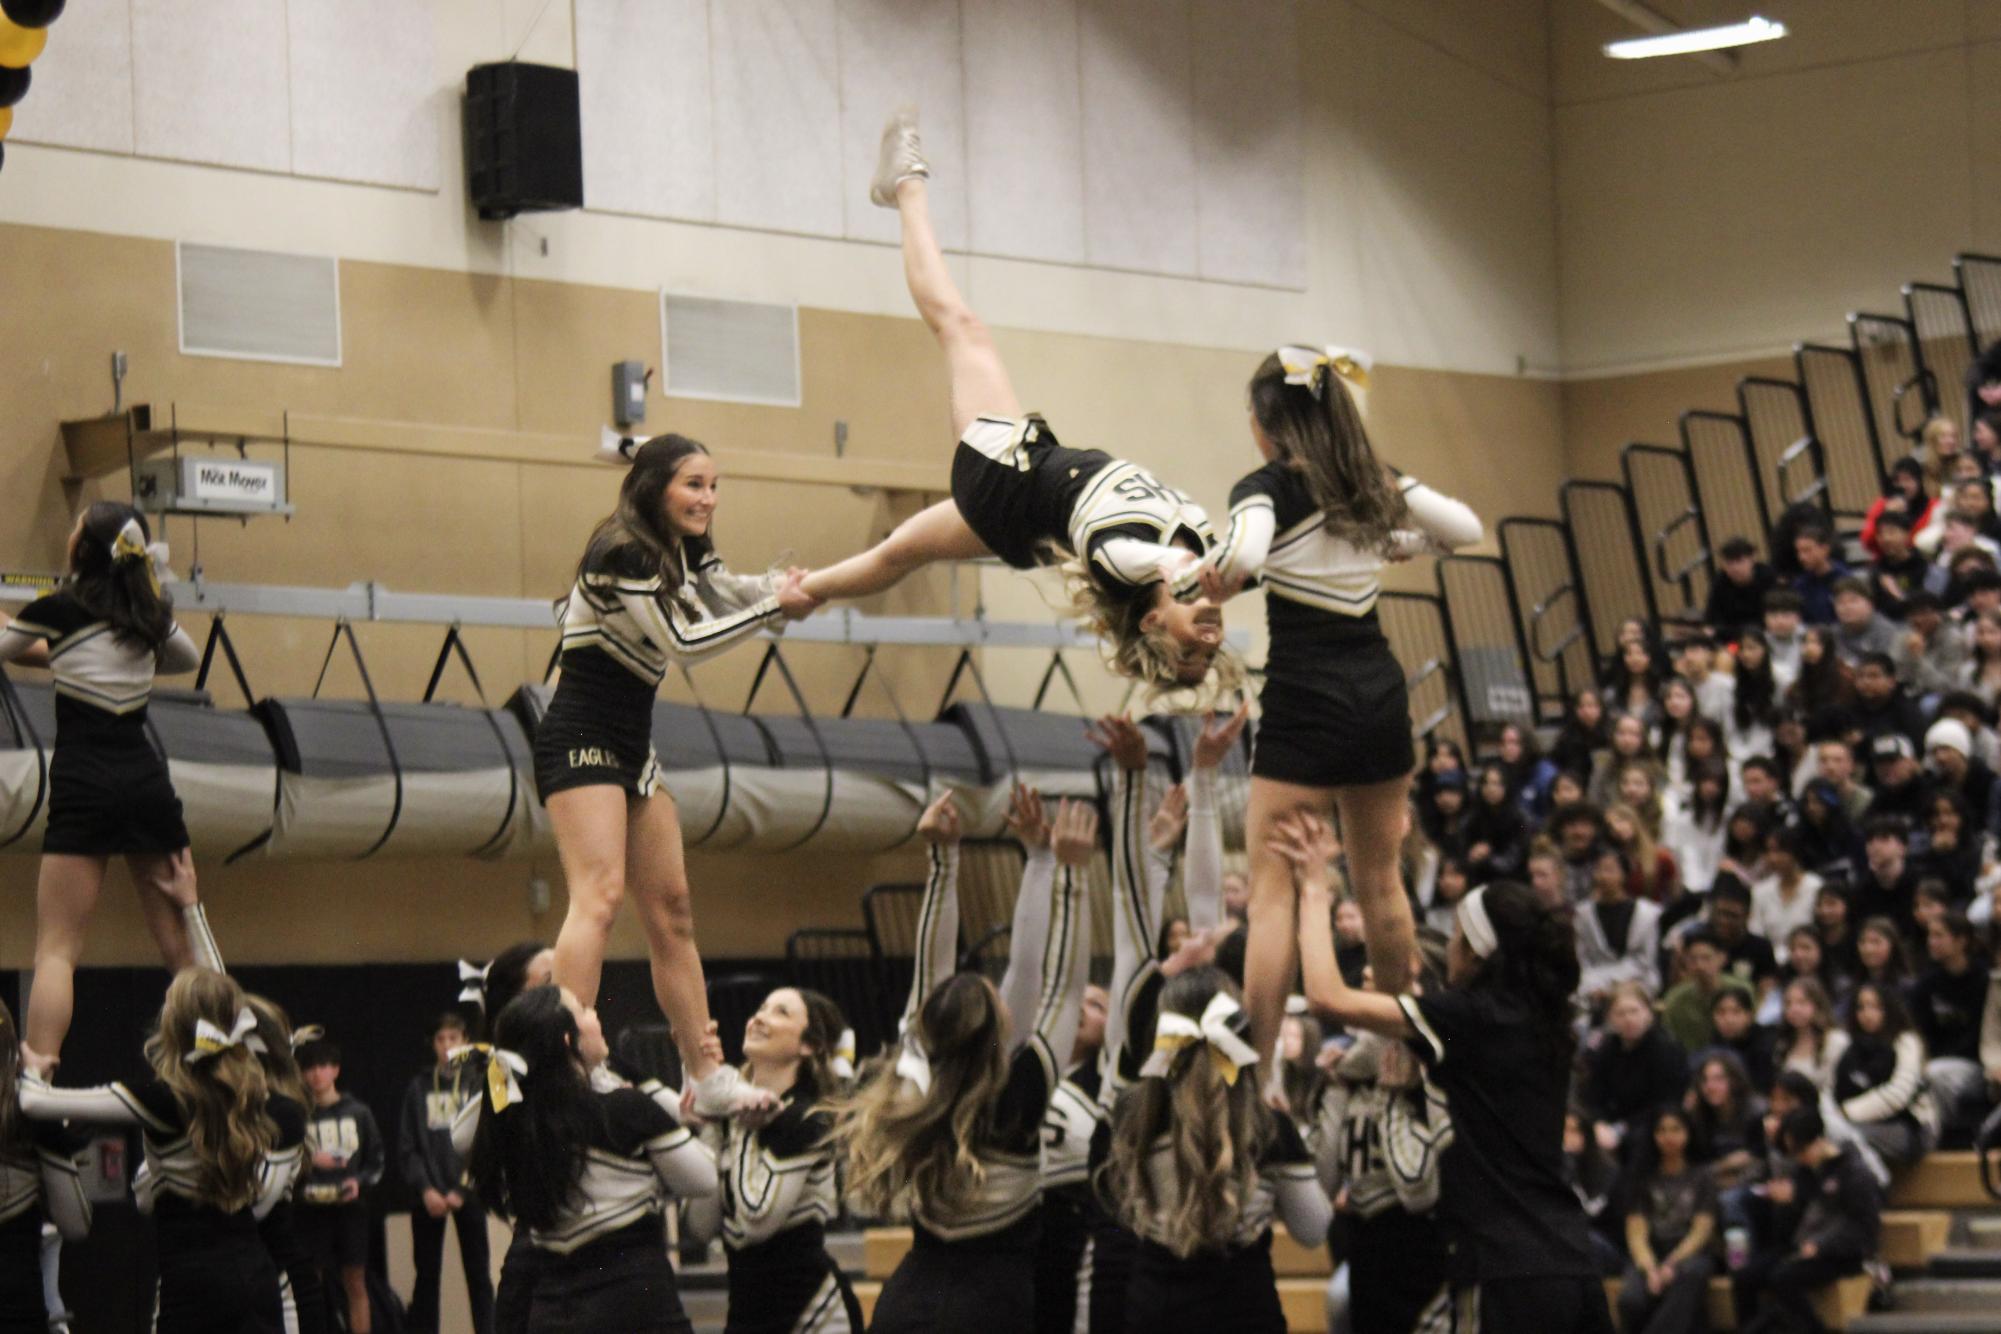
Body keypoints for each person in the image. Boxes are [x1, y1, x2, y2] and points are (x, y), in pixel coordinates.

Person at [799, 111, 1230, 694]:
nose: (1207, 641)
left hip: (1006, 475)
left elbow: (1130, 555)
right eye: (1210, 654)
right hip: (1021, 519)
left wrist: (1178, 568)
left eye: (1186, 651)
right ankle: (795, 593)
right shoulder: (1204, 555)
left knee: (960, 325)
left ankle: (906, 181)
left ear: (1154, 621)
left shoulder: (1122, 561)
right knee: (900, 551)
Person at [1197, 337, 1482, 1054]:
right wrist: (1404, 543)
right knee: (1381, 882)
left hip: (1304, 699)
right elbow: (1466, 530)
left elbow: (1248, 555)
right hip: (1378, 694)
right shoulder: (1374, 482)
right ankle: (1399, 1050)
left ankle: (1257, 1073)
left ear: (1267, 424)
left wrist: (1220, 573)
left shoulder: (1263, 486)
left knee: (1271, 896)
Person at [537, 435, 814, 1121]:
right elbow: (685, 643)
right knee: (598, 898)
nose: (707, 499)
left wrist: (782, 589)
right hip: (581, 736)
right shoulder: (622, 548)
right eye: (694, 484)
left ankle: (706, 1074)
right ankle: (562, 1057)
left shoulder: (677, 545)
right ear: (656, 485)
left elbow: (720, 590)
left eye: (714, 485)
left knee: (673, 910)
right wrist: (775, 610)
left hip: (632, 744)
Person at [1290, 818, 1612, 1332]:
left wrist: (1312, 888)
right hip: (1569, 1258)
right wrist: (1389, 854)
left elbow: (1328, 997)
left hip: (1503, 1268)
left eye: (1458, 937)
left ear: (1479, 953)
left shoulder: (1473, 1017)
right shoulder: (1541, 1016)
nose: (1451, 946)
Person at [828, 790, 1090, 1334]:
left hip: (906, 1308)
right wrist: (1069, 873)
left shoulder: (915, 1080)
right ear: (1000, 1028)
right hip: (990, 1310)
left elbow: (930, 972)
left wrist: (944, 862)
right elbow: (1060, 989)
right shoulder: (1019, 1098)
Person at [0, 501, 224, 1062]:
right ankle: (217, 1066)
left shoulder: (58, 608)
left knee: (57, 951)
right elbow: (186, 657)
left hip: (83, 786)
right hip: (145, 782)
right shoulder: (149, 616)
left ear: (82, 549)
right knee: (179, 949)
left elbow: (13, 650)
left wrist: (24, 631)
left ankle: (37, 1079)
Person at [19, 968, 282, 1333]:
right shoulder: (248, 1092)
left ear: (173, 1024)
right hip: (256, 1273)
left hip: (193, 1280)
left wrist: (32, 1069)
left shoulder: (162, 1098)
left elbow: (33, 1104)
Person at [464, 986, 718, 1334]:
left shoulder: (512, 1122)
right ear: (569, 1040)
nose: (596, 1014)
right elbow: (704, 1178)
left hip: (550, 1308)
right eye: (585, 1009)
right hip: (634, 1303)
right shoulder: (625, 1110)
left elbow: (463, 1133)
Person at [1105, 967, 1330, 1334]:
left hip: (1153, 1312)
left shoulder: (1133, 1117)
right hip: (1244, 1312)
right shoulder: (1269, 1127)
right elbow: (1313, 1230)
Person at [683, 985, 857, 1334]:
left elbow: (755, 1221)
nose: (759, 1017)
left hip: (813, 1317)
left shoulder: (806, 1119)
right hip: (748, 1316)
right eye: (761, 1007)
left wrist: (740, 1130)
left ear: (809, 1046)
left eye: (781, 1012)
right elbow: (700, 1226)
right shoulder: (734, 1117)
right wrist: (715, 1121)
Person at [1315, 934, 1455, 1334]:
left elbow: (1418, 1191)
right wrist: (1336, 1088)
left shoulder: (1437, 1067)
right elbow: (1322, 1185)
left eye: (1389, 966)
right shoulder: (1348, 1069)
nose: (1367, 972)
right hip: (1366, 1258)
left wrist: (1392, 1100)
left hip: (1427, 1260)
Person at [1733, 1107, 1883, 1334]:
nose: (1799, 1157)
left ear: (1819, 1140)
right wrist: (1786, 1204)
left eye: (1801, 1149)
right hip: (1802, 1245)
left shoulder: (1854, 1173)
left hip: (1842, 1252)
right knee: (1745, 1276)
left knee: (1783, 1278)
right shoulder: (1804, 1173)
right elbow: (1786, 1231)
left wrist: (1822, 1245)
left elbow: (1863, 1227)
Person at [399, 1013, 492, 1334]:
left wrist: (461, 1190)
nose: (447, 1045)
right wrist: (426, 1189)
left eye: (453, 1038)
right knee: (426, 1277)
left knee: (479, 1275)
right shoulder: (419, 1087)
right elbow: (408, 1146)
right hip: (429, 1196)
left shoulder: (476, 1083)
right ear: (433, 1045)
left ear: (465, 1041)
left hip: (467, 1192)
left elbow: (483, 1143)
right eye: (441, 1039)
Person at [0, 997, 89, 1334]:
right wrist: (38, 1087)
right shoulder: (33, 1114)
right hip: (18, 1311)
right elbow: (76, 1223)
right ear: (12, 1050)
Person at [240, 995, 323, 1334]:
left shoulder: (281, 1113)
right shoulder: (219, 1113)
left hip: (279, 1281)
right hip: (231, 1278)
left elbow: (256, 1207)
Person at [295, 1034, 385, 1334]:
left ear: (335, 1069)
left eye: (323, 1066)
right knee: (310, 1283)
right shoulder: (298, 1116)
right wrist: (308, 1163)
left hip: (351, 1210)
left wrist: (359, 1183)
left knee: (355, 1282)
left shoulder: (358, 1112)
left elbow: (376, 1161)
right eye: (309, 1068)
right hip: (311, 1210)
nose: (316, 1074)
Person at [1615, 1106, 1717, 1334]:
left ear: (1688, 1133)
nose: (1668, 1137)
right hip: (1651, 1251)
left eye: (1675, 1129)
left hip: (1690, 1253)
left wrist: (1672, 1263)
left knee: (1691, 1275)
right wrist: (1651, 1268)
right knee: (1630, 1300)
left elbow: (1702, 1230)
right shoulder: (1641, 1175)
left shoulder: (1703, 1176)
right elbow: (1636, 1232)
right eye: (1661, 1130)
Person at [1834, 983, 1937, 1167]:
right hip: (1857, 1122)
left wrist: (1845, 1113)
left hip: (1909, 1127)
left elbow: (1897, 1096)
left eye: (1876, 1007)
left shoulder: (1907, 1041)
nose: (1867, 1014)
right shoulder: (1848, 1046)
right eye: (1861, 1007)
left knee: (1844, 1137)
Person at [1911, 911, 1992, 1140]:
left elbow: (1983, 1033)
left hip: (1978, 1064)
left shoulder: (1983, 979)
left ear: (1961, 940)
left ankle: (1951, 1137)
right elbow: (1921, 1030)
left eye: (1939, 936)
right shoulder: (1927, 984)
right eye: (1930, 936)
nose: (1932, 942)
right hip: (1937, 1060)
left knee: (1935, 1075)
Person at [1581, 983, 1687, 1159]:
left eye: (1634, 1011)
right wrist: (1599, 1123)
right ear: (1610, 1018)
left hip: (1652, 1124)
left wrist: (1622, 1129)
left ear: (1648, 1013)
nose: (1628, 1019)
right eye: (1620, 1013)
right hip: (1611, 1124)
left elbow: (1666, 1101)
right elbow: (1593, 1095)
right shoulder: (1606, 1050)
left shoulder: (1667, 1050)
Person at [1576, 848, 1663, 1007]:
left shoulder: (1646, 914)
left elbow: (1645, 960)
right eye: (1599, 870)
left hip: (1638, 978)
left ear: (1623, 875)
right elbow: (1584, 958)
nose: (1603, 876)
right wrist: (1596, 984)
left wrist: (1616, 985)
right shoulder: (1583, 914)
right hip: (1595, 981)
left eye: (1609, 870)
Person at [1660, 929, 1755, 1054]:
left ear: (1722, 958)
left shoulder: (1742, 989)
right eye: (1693, 959)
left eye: (1706, 958)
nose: (1700, 966)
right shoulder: (1675, 998)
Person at [1752, 827, 1824, 963]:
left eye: (1779, 851)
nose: (1773, 858)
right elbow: (1756, 932)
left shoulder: (1816, 887)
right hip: (1768, 961)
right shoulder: (1760, 891)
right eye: (1768, 852)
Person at [1776, 978, 1850, 1093]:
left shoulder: (1836, 1040)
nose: (1794, 1009)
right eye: (1788, 1003)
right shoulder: (1783, 1043)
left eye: (1802, 1002)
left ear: (1817, 1005)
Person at [1706, 536, 1778, 637]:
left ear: (1753, 558)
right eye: (1729, 563)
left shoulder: (1768, 578)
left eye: (1740, 561)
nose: (1735, 568)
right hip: (1733, 640)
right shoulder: (1720, 582)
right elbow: (1711, 620)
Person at [1709, 988, 1776, 1091]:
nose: (1728, 1019)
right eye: (1721, 1012)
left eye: (1736, 1012)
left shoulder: (1765, 1045)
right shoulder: (1715, 1043)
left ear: (1749, 1016)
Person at [1791, 526, 1850, 625]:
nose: (1801, 557)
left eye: (1807, 550)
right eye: (1799, 552)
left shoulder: (1845, 579)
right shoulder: (1800, 585)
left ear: (1825, 549)